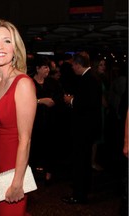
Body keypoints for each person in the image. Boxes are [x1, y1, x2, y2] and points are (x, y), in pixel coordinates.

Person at [0, 19, 37, 216]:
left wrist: (18, 181)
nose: (0, 47)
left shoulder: (23, 83)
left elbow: (25, 139)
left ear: (16, 47)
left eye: (7, 41)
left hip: (11, 166)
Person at [62, 51, 102, 204]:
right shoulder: (91, 77)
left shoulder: (88, 79)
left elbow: (87, 104)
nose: (72, 68)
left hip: (84, 129)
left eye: (73, 65)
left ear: (78, 65)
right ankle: (82, 189)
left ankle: (79, 194)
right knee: (83, 161)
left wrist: (71, 101)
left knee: (81, 162)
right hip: (89, 128)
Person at [29, 55, 64, 184]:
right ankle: (31, 174)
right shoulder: (28, 82)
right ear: (37, 68)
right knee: (33, 148)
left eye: (48, 67)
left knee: (50, 147)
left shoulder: (53, 83)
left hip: (51, 121)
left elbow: (60, 98)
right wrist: (40, 101)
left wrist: (54, 101)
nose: (47, 70)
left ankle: (49, 173)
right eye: (45, 67)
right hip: (34, 122)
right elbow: (24, 101)